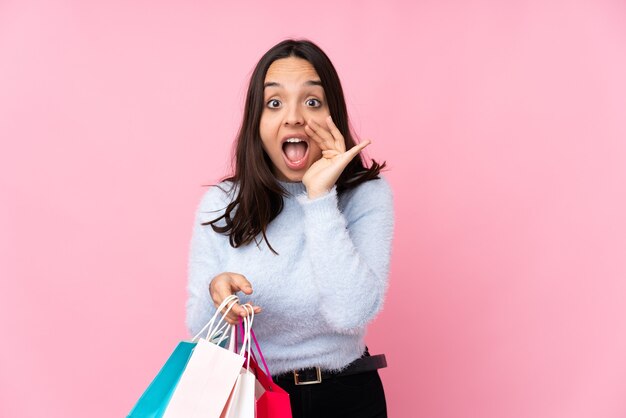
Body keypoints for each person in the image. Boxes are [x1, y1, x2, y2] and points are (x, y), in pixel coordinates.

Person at [185, 39, 394, 418]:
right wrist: (216, 297)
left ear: (334, 114)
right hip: (254, 399)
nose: (294, 117)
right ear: (256, 121)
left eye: (312, 102)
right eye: (274, 103)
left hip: (348, 397)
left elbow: (352, 313)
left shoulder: (365, 194)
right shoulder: (222, 203)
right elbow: (203, 334)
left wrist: (319, 199)